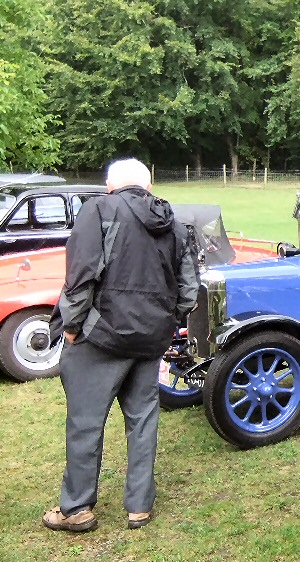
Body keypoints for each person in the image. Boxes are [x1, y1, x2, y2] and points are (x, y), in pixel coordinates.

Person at [42, 158, 200, 532]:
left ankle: (76, 508)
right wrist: (165, 323)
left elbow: (81, 274)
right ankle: (139, 508)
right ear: (147, 185)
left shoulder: (97, 209)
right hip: (149, 339)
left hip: (99, 337)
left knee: (85, 423)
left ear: (111, 185)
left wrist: (72, 326)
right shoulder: (173, 221)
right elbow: (190, 290)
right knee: (143, 422)